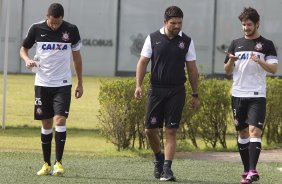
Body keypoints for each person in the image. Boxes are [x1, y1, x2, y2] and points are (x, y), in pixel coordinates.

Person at [134, 6, 199, 181]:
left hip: (177, 91)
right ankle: (158, 158)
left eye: (179, 22)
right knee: (149, 130)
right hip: (156, 90)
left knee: (171, 131)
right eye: (173, 23)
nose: (177, 26)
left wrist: (195, 94)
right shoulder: (153, 38)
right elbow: (142, 63)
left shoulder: (187, 41)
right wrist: (138, 85)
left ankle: (167, 169)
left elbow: (192, 70)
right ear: (165, 22)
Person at [19, 3, 83, 176]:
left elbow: (77, 58)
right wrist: (27, 60)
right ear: (47, 16)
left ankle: (59, 163)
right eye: (52, 22)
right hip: (42, 83)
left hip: (62, 83)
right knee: (46, 123)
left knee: (60, 120)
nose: (55, 25)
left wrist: (80, 82)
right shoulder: (36, 28)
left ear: (63, 18)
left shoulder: (71, 30)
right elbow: (23, 49)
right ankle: (46, 163)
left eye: (58, 22)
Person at [224, 7, 278, 184]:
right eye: (243, 25)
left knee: (255, 130)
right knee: (242, 133)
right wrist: (231, 60)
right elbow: (226, 71)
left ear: (257, 24)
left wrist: (259, 60)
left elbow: (274, 69)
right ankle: (246, 170)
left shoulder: (267, 44)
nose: (246, 28)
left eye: (249, 24)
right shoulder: (235, 43)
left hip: (257, 94)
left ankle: (253, 170)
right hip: (238, 94)